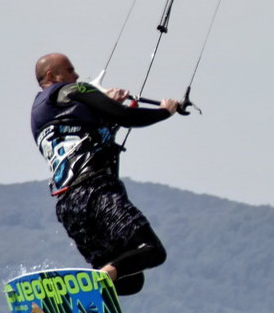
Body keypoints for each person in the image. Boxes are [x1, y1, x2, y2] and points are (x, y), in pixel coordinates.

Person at [31, 53, 189, 296]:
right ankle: (91, 286)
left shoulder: (39, 114)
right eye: (70, 70)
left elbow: (82, 135)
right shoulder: (74, 88)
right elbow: (126, 118)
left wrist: (105, 108)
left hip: (68, 206)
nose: (76, 76)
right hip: (95, 191)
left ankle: (71, 301)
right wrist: (164, 111)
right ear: (52, 75)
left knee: (130, 281)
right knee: (151, 250)